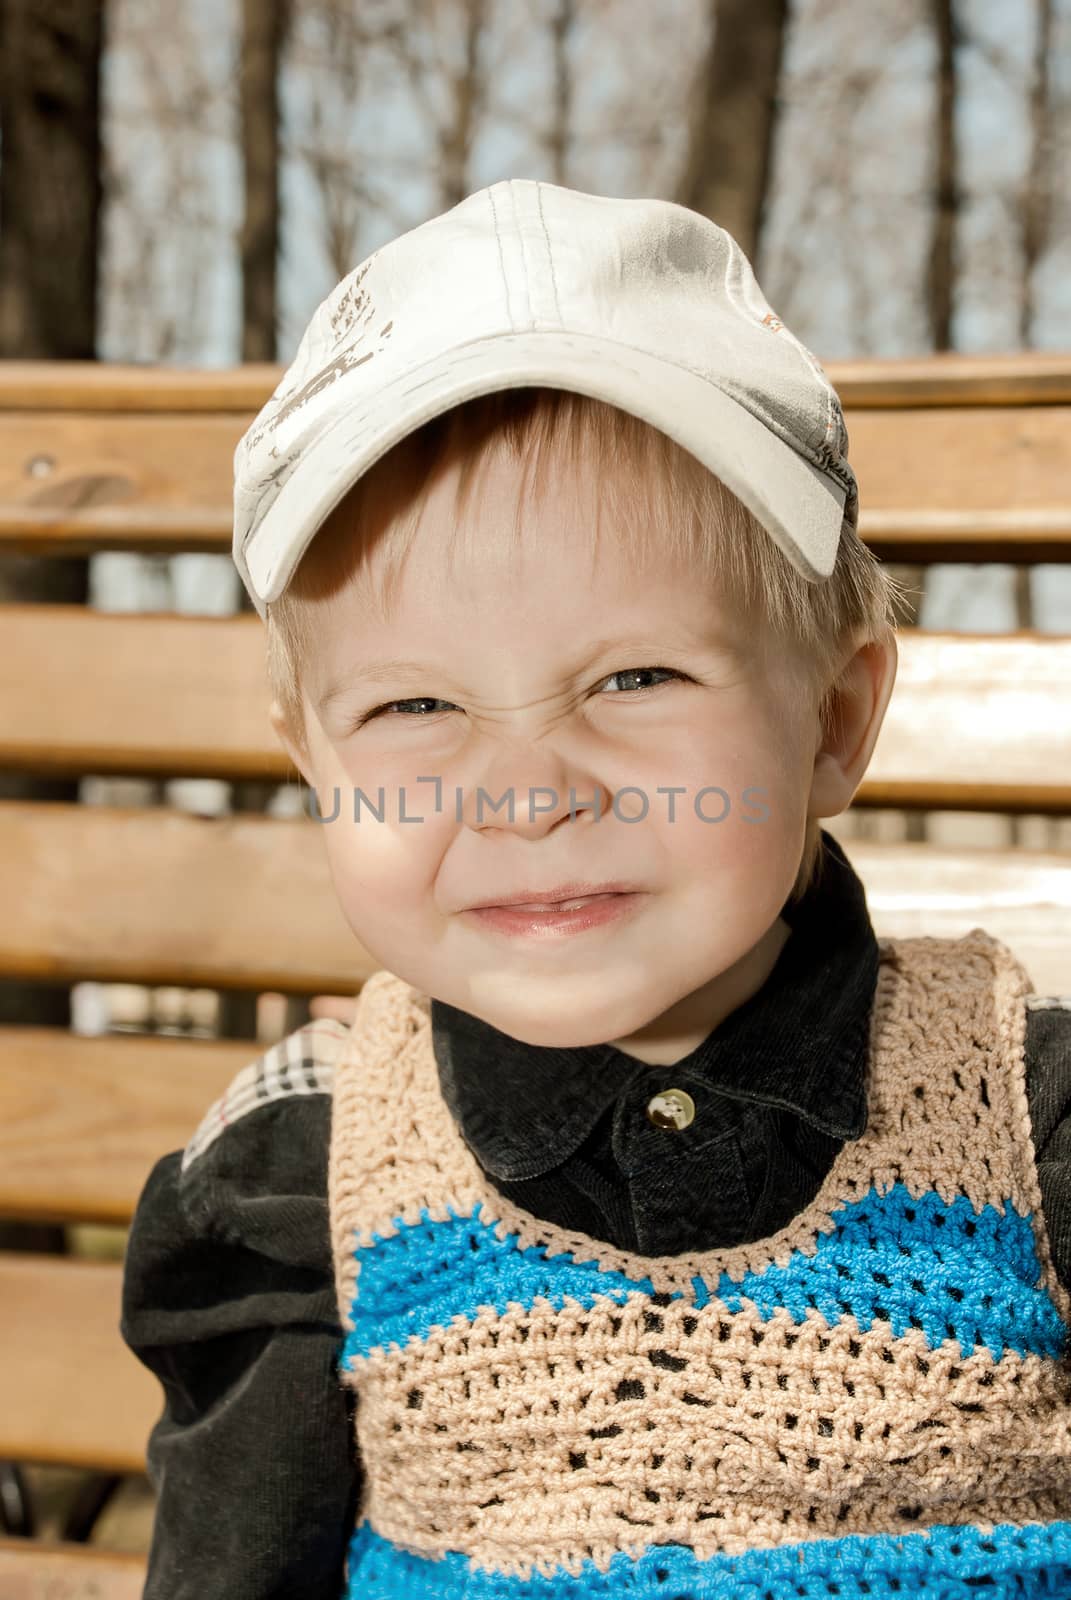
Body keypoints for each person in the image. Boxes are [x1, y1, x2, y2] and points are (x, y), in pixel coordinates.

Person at [120, 180, 1071, 1599]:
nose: (528, 791)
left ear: (832, 719)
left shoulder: (1028, 1113)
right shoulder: (303, 1168)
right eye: (415, 706)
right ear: (312, 757)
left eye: (635, 678)